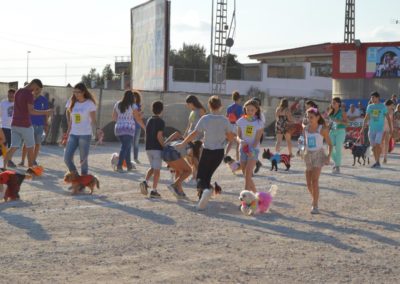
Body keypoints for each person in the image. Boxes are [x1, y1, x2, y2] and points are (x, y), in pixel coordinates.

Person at [177, 95, 235, 210]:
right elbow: (230, 137)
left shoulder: (205, 119)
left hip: (207, 151)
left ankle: (206, 191)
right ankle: (202, 197)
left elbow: (194, 133)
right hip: (219, 153)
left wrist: (183, 143)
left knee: (200, 176)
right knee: (207, 175)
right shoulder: (225, 120)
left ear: (209, 106)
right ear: (221, 106)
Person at [4, 79, 53, 170]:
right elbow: (31, 111)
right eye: (37, 88)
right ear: (34, 84)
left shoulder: (18, 91)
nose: (36, 91)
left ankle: (3, 167)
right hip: (25, 124)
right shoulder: (29, 94)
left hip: (14, 123)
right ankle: (31, 170)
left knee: (13, 146)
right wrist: (46, 112)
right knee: (31, 147)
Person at [63, 83, 97, 176]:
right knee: (67, 158)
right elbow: (71, 120)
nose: (76, 94)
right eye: (74, 92)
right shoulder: (72, 101)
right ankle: (76, 178)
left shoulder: (90, 103)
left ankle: (83, 182)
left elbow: (93, 119)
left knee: (83, 160)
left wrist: (97, 129)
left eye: (78, 92)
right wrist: (67, 132)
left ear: (83, 92)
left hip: (85, 135)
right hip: (73, 134)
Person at [303, 107, 332, 214]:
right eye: (308, 117)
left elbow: (330, 144)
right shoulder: (305, 129)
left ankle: (315, 205)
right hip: (308, 156)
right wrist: (301, 150)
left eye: (311, 117)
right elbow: (303, 142)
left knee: (314, 181)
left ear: (317, 117)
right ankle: (315, 198)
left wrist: (328, 157)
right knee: (308, 183)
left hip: (319, 155)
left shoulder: (322, 129)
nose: (309, 119)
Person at [112, 90, 145, 173]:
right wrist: (145, 127)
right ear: (132, 98)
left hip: (118, 129)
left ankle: (129, 166)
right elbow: (137, 119)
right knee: (124, 148)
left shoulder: (118, 104)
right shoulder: (133, 106)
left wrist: (121, 121)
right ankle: (119, 166)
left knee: (127, 147)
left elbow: (114, 117)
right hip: (129, 129)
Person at [236, 99, 264, 193]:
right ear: (245, 110)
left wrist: (251, 150)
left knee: (248, 174)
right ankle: (256, 195)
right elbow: (238, 136)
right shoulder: (240, 121)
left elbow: (257, 139)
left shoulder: (259, 123)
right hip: (242, 150)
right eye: (248, 110)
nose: (250, 112)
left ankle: (245, 200)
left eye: (252, 110)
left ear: (256, 110)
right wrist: (241, 141)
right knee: (245, 175)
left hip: (253, 150)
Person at [139, 101, 165, 198]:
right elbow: (159, 136)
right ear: (161, 110)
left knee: (153, 167)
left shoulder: (149, 120)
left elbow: (147, 134)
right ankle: (154, 191)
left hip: (148, 147)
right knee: (157, 170)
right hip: (156, 148)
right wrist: (164, 146)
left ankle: (145, 182)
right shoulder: (161, 122)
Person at [361, 91, 393, 168]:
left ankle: (377, 162)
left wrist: (391, 128)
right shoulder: (370, 106)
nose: (372, 99)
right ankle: (377, 161)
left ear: (378, 97)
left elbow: (388, 118)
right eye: (371, 97)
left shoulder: (383, 106)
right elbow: (366, 117)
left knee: (377, 145)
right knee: (373, 147)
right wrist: (362, 128)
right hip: (371, 129)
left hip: (379, 129)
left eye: (373, 97)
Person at [19, 91, 49, 166]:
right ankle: (22, 161)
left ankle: (33, 160)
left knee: (37, 144)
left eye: (39, 89)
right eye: (35, 89)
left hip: (40, 125)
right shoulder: (29, 98)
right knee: (26, 143)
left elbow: (46, 112)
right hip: (29, 124)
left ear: (41, 90)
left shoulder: (44, 100)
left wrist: (46, 124)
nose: (37, 90)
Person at [184, 95, 206, 183]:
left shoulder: (200, 110)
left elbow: (205, 123)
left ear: (192, 103)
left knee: (195, 157)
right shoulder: (192, 112)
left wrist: (204, 137)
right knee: (189, 156)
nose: (187, 106)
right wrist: (185, 135)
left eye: (188, 104)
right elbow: (189, 125)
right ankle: (195, 176)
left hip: (198, 137)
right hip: (190, 136)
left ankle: (196, 177)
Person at [328, 97, 348, 174]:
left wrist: (339, 122)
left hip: (340, 131)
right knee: (330, 148)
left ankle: (337, 166)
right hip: (332, 131)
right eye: (332, 103)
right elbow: (329, 123)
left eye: (334, 103)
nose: (333, 104)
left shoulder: (342, 112)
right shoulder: (330, 112)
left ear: (339, 103)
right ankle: (336, 163)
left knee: (338, 148)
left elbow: (347, 123)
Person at [0, 89, 16, 167]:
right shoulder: (3, 103)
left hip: (13, 128)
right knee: (3, 145)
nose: (11, 96)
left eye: (12, 95)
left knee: (11, 145)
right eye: (9, 94)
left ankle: (8, 160)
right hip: (3, 127)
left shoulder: (17, 104)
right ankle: (4, 161)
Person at [225, 91, 243, 161]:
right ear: (239, 98)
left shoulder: (229, 107)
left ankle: (225, 155)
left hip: (230, 125)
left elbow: (227, 117)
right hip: (237, 126)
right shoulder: (241, 108)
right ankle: (238, 159)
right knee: (238, 143)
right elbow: (242, 118)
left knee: (230, 142)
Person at [132, 91, 145, 164]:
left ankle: (135, 158)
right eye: (133, 97)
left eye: (135, 97)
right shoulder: (130, 105)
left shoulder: (138, 106)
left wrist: (140, 114)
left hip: (137, 126)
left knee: (136, 143)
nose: (134, 98)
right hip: (130, 126)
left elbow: (140, 117)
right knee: (128, 143)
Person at [381, 99, 395, 163]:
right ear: (389, 104)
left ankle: (385, 157)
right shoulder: (383, 109)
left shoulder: (392, 110)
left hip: (389, 127)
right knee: (381, 142)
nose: (393, 106)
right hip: (382, 126)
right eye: (392, 105)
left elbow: (392, 120)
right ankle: (380, 154)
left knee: (386, 142)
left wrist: (392, 129)